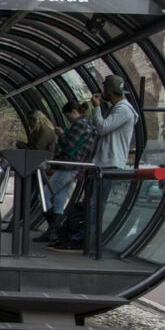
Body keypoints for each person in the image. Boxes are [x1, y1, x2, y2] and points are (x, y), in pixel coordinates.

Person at [51, 75, 138, 252]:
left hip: (110, 164)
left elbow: (102, 127)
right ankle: (76, 236)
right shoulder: (117, 108)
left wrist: (97, 108)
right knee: (90, 203)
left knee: (95, 205)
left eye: (104, 88)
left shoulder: (124, 110)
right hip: (101, 163)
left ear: (109, 91)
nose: (102, 92)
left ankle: (83, 240)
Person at [35, 101, 97, 243]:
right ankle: (55, 230)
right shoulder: (89, 124)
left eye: (68, 116)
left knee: (43, 196)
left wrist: (61, 134)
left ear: (74, 112)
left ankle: (54, 229)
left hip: (68, 166)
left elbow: (69, 145)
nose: (68, 119)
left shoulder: (80, 124)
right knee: (60, 199)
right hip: (74, 166)